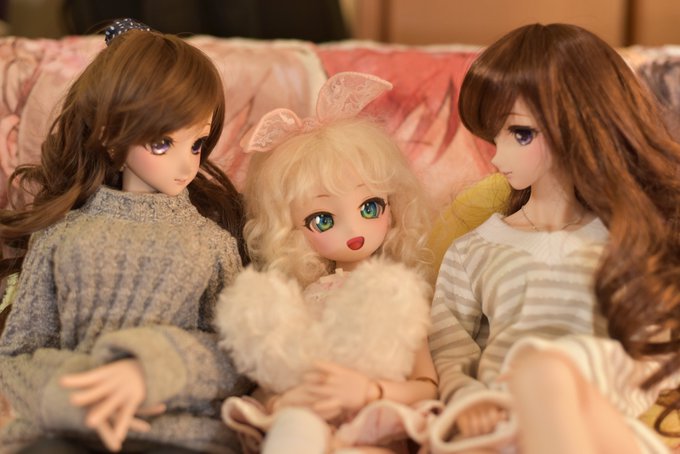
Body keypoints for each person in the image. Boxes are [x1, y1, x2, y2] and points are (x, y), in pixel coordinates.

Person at [0, 19, 252, 453]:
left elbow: (240, 359)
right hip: (72, 432)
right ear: (111, 138)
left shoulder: (212, 243)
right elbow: (14, 357)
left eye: (197, 143)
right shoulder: (60, 237)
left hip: (176, 435)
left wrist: (150, 370)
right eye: (162, 143)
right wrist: (81, 395)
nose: (187, 164)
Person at [428, 23, 680, 453]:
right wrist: (467, 398)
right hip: (500, 430)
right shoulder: (471, 251)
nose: (497, 156)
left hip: (595, 429)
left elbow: (656, 357)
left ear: (582, 123)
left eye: (521, 134)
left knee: (541, 373)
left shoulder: (632, 238)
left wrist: (558, 369)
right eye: (493, 135)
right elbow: (450, 352)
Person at [215, 72, 440, 453]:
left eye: (370, 207)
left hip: (374, 426)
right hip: (308, 423)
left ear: (395, 202)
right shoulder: (304, 298)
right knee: (295, 426)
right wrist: (281, 401)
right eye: (322, 220)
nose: (354, 231)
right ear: (289, 230)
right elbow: (270, 376)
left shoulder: (396, 295)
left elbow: (427, 386)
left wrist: (370, 391)